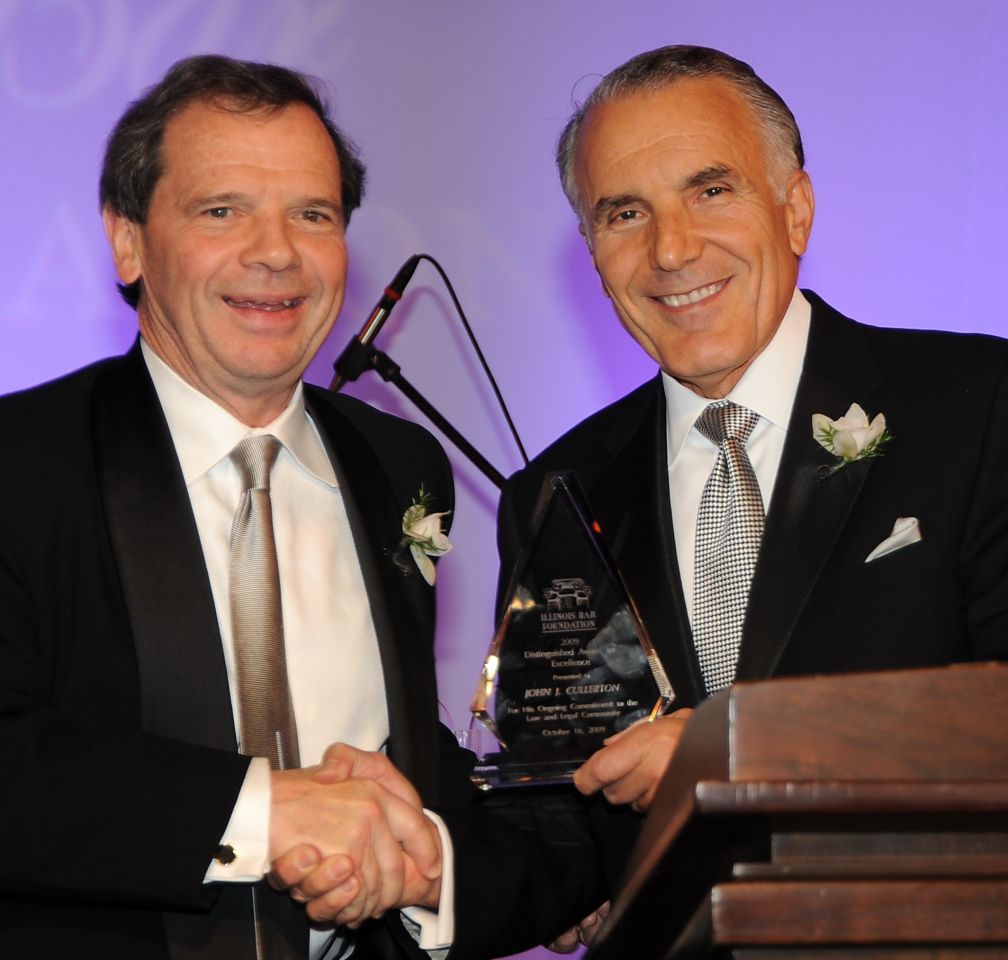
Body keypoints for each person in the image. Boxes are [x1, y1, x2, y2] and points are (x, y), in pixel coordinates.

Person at [493, 43, 1008, 948]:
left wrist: (732, 756)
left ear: (796, 208)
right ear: (593, 251)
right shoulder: (554, 493)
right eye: (625, 212)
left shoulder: (979, 405)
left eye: (711, 190)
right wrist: (436, 874)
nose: (672, 248)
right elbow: (568, 800)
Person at [0, 53, 476, 960]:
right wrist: (259, 811)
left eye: (313, 214)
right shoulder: (20, 463)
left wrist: (476, 871)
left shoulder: (402, 464)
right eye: (223, 211)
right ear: (129, 240)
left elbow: (413, 759)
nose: (276, 251)